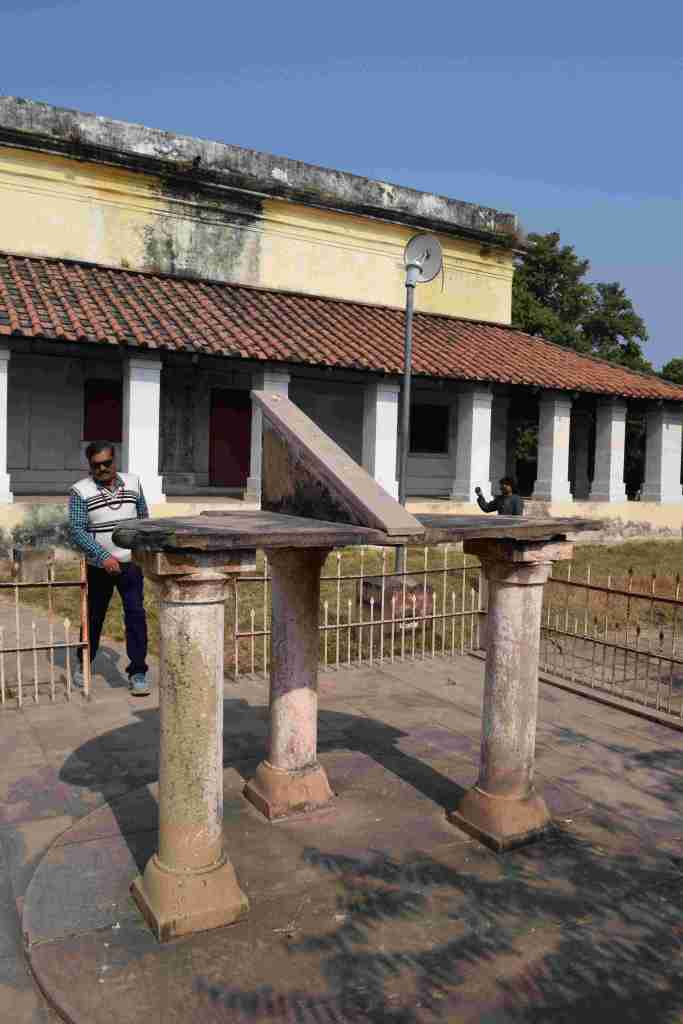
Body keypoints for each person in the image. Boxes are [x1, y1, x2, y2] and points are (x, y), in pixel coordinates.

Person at [69, 441, 151, 696]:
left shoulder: (133, 483)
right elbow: (77, 531)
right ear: (90, 465)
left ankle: (138, 672)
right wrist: (104, 556)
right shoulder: (80, 491)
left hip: (131, 564)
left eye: (107, 463)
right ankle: (84, 662)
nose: (102, 469)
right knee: (93, 616)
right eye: (96, 465)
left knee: (136, 615)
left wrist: (141, 550)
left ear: (115, 461)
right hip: (99, 566)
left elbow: (143, 518)